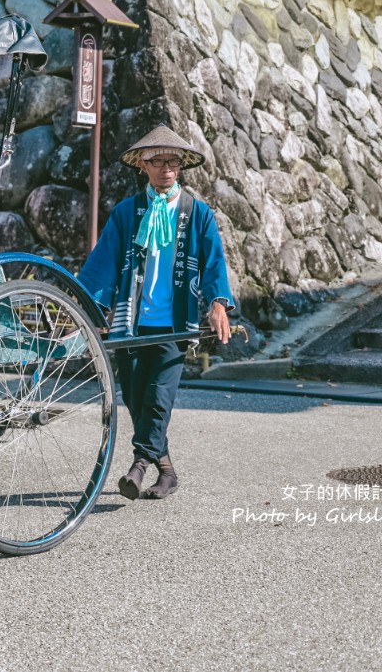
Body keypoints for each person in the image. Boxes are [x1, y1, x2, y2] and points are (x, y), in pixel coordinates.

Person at [78, 124, 236, 501]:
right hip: (131, 323)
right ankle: (167, 470)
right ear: (142, 165)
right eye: (158, 160)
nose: (167, 168)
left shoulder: (197, 214)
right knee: (136, 399)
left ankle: (139, 465)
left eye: (174, 161)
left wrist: (218, 303)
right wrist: (86, 307)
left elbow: (214, 262)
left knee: (158, 398)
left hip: (174, 324)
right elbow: (103, 263)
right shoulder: (127, 212)